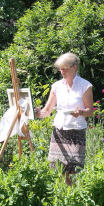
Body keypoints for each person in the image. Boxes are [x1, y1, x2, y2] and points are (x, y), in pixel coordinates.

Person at [34, 53, 94, 185]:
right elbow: (47, 111)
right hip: (59, 132)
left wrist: (81, 112)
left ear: (74, 67)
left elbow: (90, 110)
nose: (62, 71)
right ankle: (63, 195)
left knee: (74, 169)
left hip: (76, 131)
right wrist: (38, 114)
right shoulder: (56, 86)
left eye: (65, 68)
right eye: (60, 68)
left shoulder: (85, 86)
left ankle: (73, 196)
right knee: (58, 168)